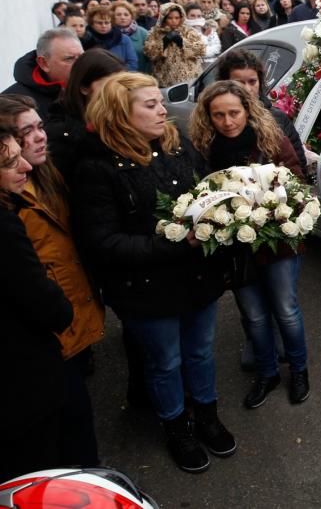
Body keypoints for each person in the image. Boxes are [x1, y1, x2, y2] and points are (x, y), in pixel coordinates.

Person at [72, 72, 235, 473]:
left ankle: (207, 416)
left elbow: (206, 190)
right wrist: (177, 243)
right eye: (150, 104)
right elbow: (104, 243)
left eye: (160, 102)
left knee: (199, 352)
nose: (163, 109)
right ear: (119, 113)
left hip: (198, 278)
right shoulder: (96, 166)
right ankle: (177, 427)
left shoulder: (175, 143)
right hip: (147, 290)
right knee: (165, 362)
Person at [189, 80, 311, 408]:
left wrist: (272, 203)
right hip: (236, 249)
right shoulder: (203, 149)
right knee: (254, 316)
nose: (228, 122)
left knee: (285, 310)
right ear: (207, 117)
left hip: (278, 243)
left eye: (234, 112)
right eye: (218, 115)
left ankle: (299, 370)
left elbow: (297, 179)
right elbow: (197, 195)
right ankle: (267, 372)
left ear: (247, 109)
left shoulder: (270, 138)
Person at [0, 95, 104, 468]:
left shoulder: (47, 173)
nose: (39, 137)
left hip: (68, 321)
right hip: (45, 335)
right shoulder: (11, 204)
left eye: (40, 125)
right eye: (26, 131)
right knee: (65, 432)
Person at [0, 125, 73, 481]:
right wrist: (62, 305)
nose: (26, 168)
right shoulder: (5, 226)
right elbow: (44, 303)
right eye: (10, 162)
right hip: (21, 384)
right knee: (35, 475)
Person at [216, 49, 308, 172]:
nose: (247, 89)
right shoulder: (216, 121)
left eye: (252, 82)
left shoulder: (278, 119)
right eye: (239, 83)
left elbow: (298, 165)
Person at [46, 49, 126, 182]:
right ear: (84, 87)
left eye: (122, 83)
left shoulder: (126, 116)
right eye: (108, 84)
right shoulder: (62, 132)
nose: (118, 91)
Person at [3, 28, 83, 119]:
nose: (80, 64)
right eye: (69, 59)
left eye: (82, 57)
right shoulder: (10, 103)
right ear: (44, 63)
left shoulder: (91, 86)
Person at [144, 2, 206, 87]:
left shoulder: (188, 31)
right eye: (170, 18)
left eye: (177, 18)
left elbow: (201, 50)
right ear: (164, 18)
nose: (174, 21)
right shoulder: (155, 33)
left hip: (190, 78)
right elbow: (149, 53)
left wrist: (181, 42)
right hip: (164, 79)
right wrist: (164, 42)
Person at [83, 5, 138, 71]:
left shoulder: (123, 39)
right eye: (99, 23)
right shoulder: (85, 39)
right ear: (91, 23)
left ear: (111, 23)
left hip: (120, 77)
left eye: (107, 22)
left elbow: (132, 63)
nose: (103, 26)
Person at [112, 0, 149, 74]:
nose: (122, 17)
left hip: (140, 76)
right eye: (118, 15)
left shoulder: (143, 33)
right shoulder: (108, 33)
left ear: (132, 16)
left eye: (126, 15)